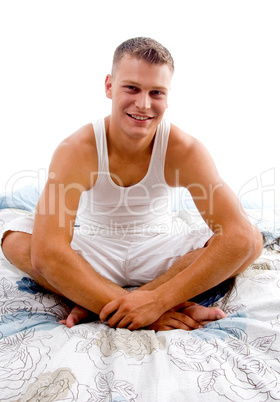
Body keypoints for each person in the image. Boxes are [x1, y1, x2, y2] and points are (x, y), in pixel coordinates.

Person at [0, 37, 263, 331]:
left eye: (156, 92)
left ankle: (99, 299)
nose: (143, 104)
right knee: (14, 238)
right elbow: (49, 252)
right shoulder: (76, 149)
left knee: (250, 240)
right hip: (95, 251)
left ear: (168, 95)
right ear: (109, 86)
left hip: (160, 253)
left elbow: (239, 237)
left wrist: (158, 299)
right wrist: (154, 315)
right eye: (132, 88)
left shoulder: (185, 149)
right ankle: (113, 301)